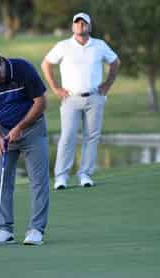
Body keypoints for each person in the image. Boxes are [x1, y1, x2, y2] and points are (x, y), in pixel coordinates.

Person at [0, 48, 49, 246]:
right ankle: (4, 230)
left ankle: (36, 230)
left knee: (38, 181)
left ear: (1, 62)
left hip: (33, 129)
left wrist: (20, 127)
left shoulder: (23, 69)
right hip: (5, 133)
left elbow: (41, 102)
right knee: (1, 180)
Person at [41, 12, 120, 190]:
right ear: (72, 26)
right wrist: (55, 88)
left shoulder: (99, 45)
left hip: (94, 97)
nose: (80, 26)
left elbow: (115, 62)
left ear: (89, 27)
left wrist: (107, 85)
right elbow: (46, 64)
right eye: (77, 23)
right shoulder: (63, 46)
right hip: (71, 99)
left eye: (84, 23)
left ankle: (85, 174)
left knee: (91, 137)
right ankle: (61, 177)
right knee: (67, 137)